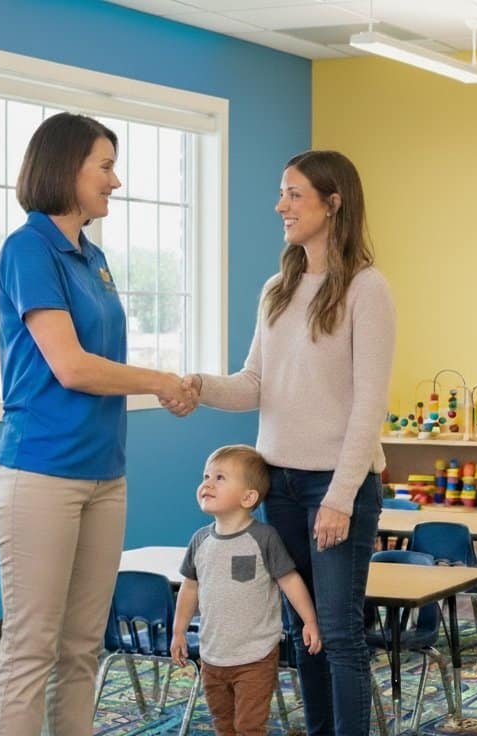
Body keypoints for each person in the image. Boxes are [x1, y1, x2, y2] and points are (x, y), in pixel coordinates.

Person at [0, 112, 197, 736]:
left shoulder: (93, 257)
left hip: (105, 472)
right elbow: (73, 367)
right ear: (65, 169)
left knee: (83, 646)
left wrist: (162, 383)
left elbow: (99, 359)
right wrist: (160, 381)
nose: (116, 181)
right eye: (105, 167)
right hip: (40, 472)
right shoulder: (28, 249)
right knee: (31, 648)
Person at [189, 150, 396, 735]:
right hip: (278, 483)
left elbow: (368, 405)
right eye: (282, 193)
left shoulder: (367, 289)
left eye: (294, 194)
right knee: (304, 631)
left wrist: (340, 496)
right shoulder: (277, 290)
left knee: (340, 632)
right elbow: (255, 384)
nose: (281, 205)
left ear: (333, 204)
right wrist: (196, 386)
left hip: (337, 486)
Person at [170, 445, 323, 736]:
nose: (207, 484)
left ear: (248, 497)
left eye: (220, 478)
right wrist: (179, 631)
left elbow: (289, 580)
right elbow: (189, 588)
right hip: (212, 656)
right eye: (206, 476)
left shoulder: (264, 538)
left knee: (248, 726)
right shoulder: (200, 540)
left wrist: (310, 620)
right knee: (223, 725)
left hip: (256, 657)